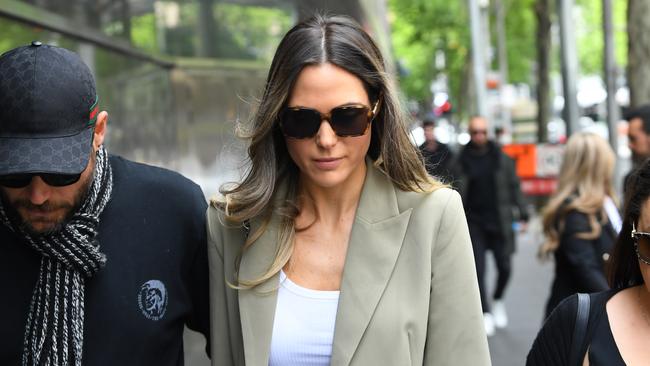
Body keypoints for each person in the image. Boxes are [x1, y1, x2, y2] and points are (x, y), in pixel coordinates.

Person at [207, 14, 490, 366]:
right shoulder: (232, 224)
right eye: (302, 119)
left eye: (347, 117)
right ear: (278, 120)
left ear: (377, 110)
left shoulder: (434, 215)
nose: (326, 140)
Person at [0, 43, 210, 365]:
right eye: (16, 175)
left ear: (99, 131)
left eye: (59, 174)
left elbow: (235, 344)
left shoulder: (174, 210)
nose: (37, 195)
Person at [527, 158, 650, 366]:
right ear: (633, 235)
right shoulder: (577, 321)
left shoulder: (603, 208)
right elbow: (582, 265)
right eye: (649, 242)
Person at [453, 115, 529, 336]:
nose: (479, 136)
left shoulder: (501, 158)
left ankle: (497, 299)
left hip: (499, 220)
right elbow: (452, 188)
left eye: (483, 132)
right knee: (477, 269)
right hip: (473, 221)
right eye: (475, 132)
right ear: (470, 133)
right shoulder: (461, 160)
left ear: (488, 133)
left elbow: (514, 186)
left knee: (505, 267)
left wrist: (523, 212)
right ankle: (485, 312)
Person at [539, 132, 620, 319]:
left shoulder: (607, 202)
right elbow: (587, 271)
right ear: (597, 165)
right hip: (579, 321)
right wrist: (622, 304)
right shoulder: (573, 213)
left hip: (597, 312)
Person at [418, 117, 454, 182]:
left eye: (430, 130)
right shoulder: (419, 151)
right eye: (426, 130)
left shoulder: (444, 149)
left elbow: (451, 166)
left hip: (444, 181)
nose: (428, 133)